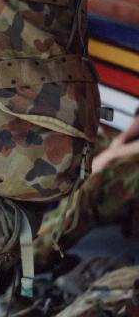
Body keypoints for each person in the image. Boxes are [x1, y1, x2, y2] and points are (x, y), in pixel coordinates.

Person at [33, 111, 139, 273]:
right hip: (131, 146)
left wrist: (111, 155)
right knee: (70, 146)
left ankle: (30, 258)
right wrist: (119, 141)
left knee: (90, 188)